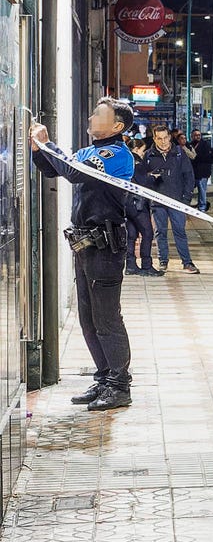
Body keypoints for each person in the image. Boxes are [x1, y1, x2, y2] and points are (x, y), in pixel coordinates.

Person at [29, 98, 138, 411]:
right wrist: (39, 151)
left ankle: (119, 385)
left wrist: (49, 144)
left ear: (116, 125)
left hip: (106, 246)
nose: (91, 116)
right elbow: (55, 170)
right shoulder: (88, 151)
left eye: (98, 114)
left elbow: (75, 173)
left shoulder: (117, 155)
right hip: (84, 245)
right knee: (88, 318)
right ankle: (104, 377)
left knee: (107, 317)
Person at [139, 124, 199, 274]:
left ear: (170, 137)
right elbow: (142, 179)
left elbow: (189, 176)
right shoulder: (148, 155)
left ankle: (187, 262)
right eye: (159, 138)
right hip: (157, 202)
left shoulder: (179, 153)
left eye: (166, 137)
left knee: (180, 231)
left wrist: (186, 198)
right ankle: (163, 261)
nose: (163, 141)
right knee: (160, 232)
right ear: (154, 139)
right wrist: (151, 180)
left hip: (177, 201)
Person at [124, 133, 161, 277]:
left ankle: (131, 265)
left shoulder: (125, 162)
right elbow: (144, 182)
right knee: (147, 233)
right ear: (137, 149)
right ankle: (146, 265)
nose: (144, 153)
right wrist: (154, 178)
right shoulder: (137, 163)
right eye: (143, 150)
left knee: (131, 235)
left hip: (126, 204)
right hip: (138, 204)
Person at [190, 129, 213, 212]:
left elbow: (207, 158)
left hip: (202, 172)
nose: (197, 137)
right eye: (195, 135)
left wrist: (196, 158)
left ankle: (202, 206)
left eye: (199, 135)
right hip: (193, 172)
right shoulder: (190, 145)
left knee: (202, 190)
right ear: (192, 136)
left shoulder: (205, 145)